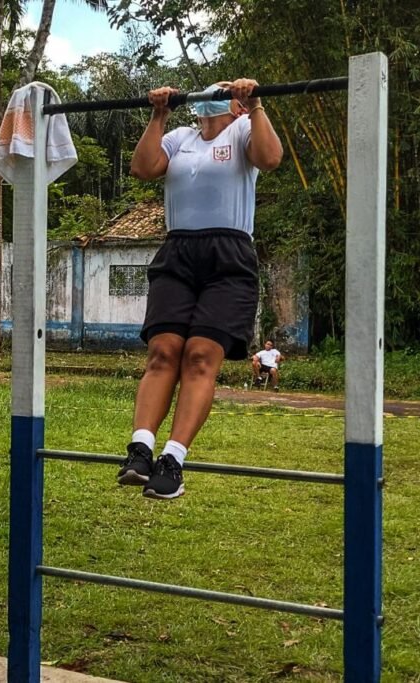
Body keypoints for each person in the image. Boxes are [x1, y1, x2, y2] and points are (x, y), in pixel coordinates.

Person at [117, 80, 283, 499]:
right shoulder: (179, 138)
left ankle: (173, 461)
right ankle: (141, 449)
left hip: (229, 255)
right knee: (163, 352)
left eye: (229, 92)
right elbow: (143, 168)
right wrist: (159, 113)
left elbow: (272, 157)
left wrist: (257, 104)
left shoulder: (244, 129)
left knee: (200, 355)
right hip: (178, 252)